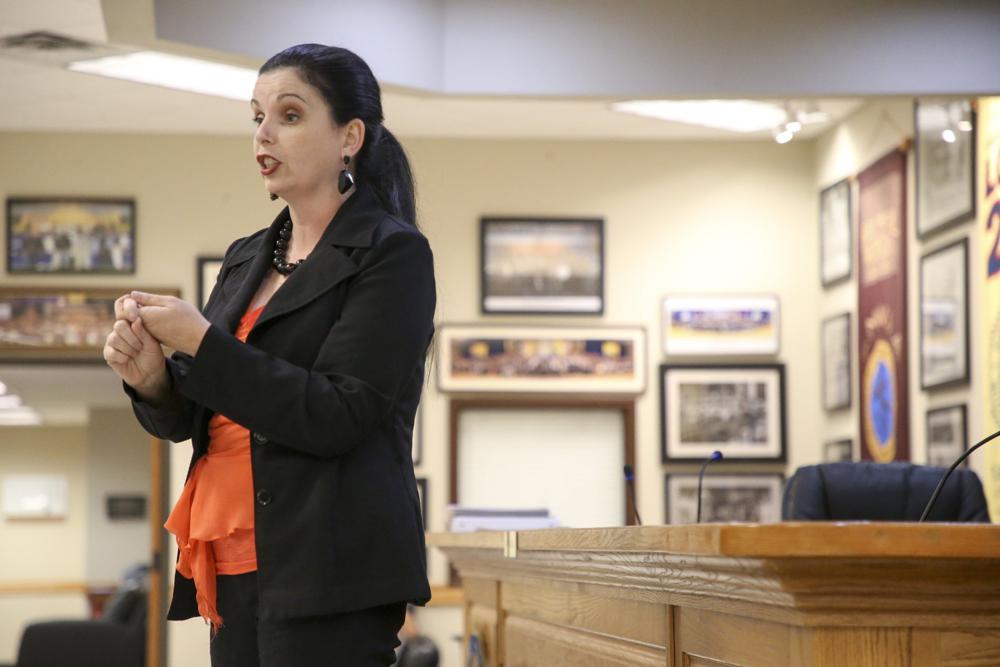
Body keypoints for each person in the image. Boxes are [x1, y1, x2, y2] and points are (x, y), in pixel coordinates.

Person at [102, 43, 435, 666]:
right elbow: (194, 416)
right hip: (227, 556)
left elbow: (339, 413)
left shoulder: (393, 252)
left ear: (350, 136)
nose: (264, 134)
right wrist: (153, 381)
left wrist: (202, 342)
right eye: (256, 117)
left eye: (288, 115)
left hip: (328, 564)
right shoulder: (244, 256)